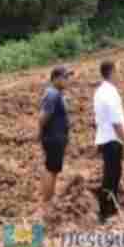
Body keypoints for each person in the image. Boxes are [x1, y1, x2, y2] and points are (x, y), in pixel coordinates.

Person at [93, 60, 124, 224]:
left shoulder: (100, 91)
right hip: (112, 139)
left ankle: (110, 207)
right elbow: (116, 122)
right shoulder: (110, 93)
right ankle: (106, 211)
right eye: (118, 71)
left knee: (111, 173)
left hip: (105, 138)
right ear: (112, 72)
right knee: (112, 175)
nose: (120, 74)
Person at [39, 66, 72, 207]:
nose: (67, 80)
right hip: (54, 137)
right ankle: (47, 201)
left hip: (56, 136)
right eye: (65, 77)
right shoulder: (52, 94)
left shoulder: (56, 94)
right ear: (56, 78)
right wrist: (41, 132)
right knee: (51, 169)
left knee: (53, 169)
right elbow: (43, 116)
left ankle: (49, 198)